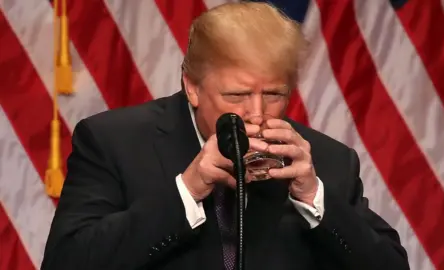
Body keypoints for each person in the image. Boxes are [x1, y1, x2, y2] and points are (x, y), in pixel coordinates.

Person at [41, 2, 409, 270]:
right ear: (192, 86)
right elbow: (66, 262)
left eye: (274, 95)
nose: (256, 113)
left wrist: (314, 199)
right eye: (235, 95)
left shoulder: (327, 161)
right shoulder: (114, 142)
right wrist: (189, 189)